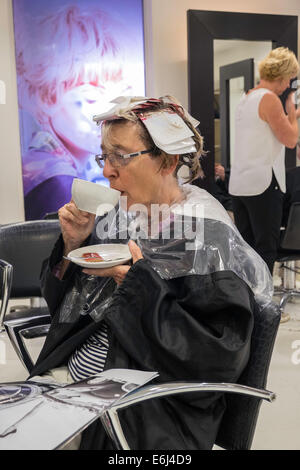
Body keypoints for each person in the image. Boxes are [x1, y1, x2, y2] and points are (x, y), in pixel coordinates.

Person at [29, 96, 273, 450]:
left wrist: (139, 287)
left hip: (141, 409)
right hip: (70, 382)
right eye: (105, 156)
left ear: (168, 161)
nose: (107, 171)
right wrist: (71, 245)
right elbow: (62, 309)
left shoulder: (205, 236)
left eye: (121, 156)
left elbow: (217, 359)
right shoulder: (121, 218)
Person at [15, 5, 134, 220]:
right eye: (90, 98)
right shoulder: (58, 183)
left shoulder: (47, 164)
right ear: (47, 97)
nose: (107, 113)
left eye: (114, 97)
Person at [229, 47, 300, 276]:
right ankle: (264, 308)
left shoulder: (246, 97)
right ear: (280, 76)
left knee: (247, 249)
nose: (289, 84)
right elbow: (290, 140)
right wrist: (292, 112)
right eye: (289, 78)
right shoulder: (270, 99)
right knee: (265, 249)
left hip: (240, 185)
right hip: (263, 185)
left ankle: (249, 304)